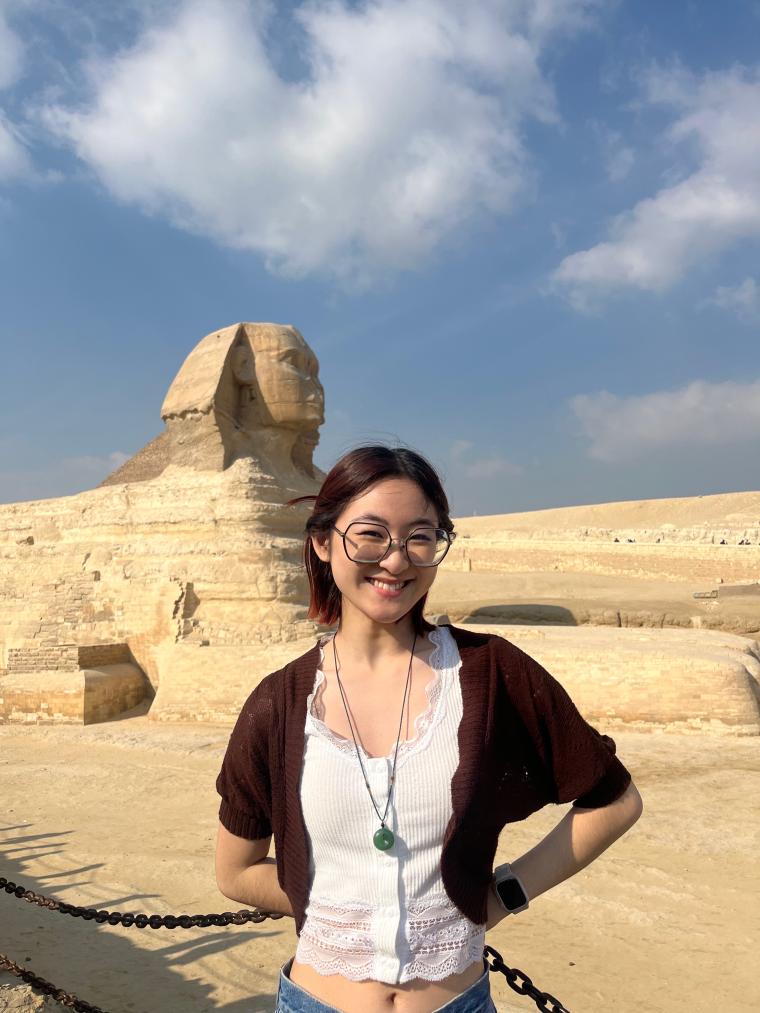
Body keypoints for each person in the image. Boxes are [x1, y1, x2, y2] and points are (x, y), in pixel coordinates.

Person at [215, 445, 643, 1013]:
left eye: (421, 536)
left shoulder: (493, 675)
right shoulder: (280, 702)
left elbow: (615, 801)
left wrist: (501, 893)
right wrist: (334, 903)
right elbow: (235, 871)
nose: (396, 561)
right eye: (369, 534)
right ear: (322, 542)